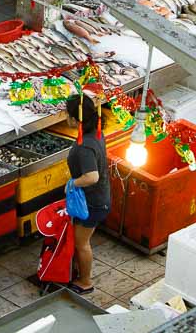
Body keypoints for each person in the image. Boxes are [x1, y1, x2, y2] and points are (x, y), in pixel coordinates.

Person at [64, 92, 110, 295]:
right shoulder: (97, 133)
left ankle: (85, 282)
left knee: (82, 243)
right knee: (79, 240)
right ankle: (77, 271)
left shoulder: (85, 147)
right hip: (99, 198)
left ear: (75, 119)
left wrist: (73, 182)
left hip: (93, 203)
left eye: (67, 115)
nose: (66, 118)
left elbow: (92, 176)